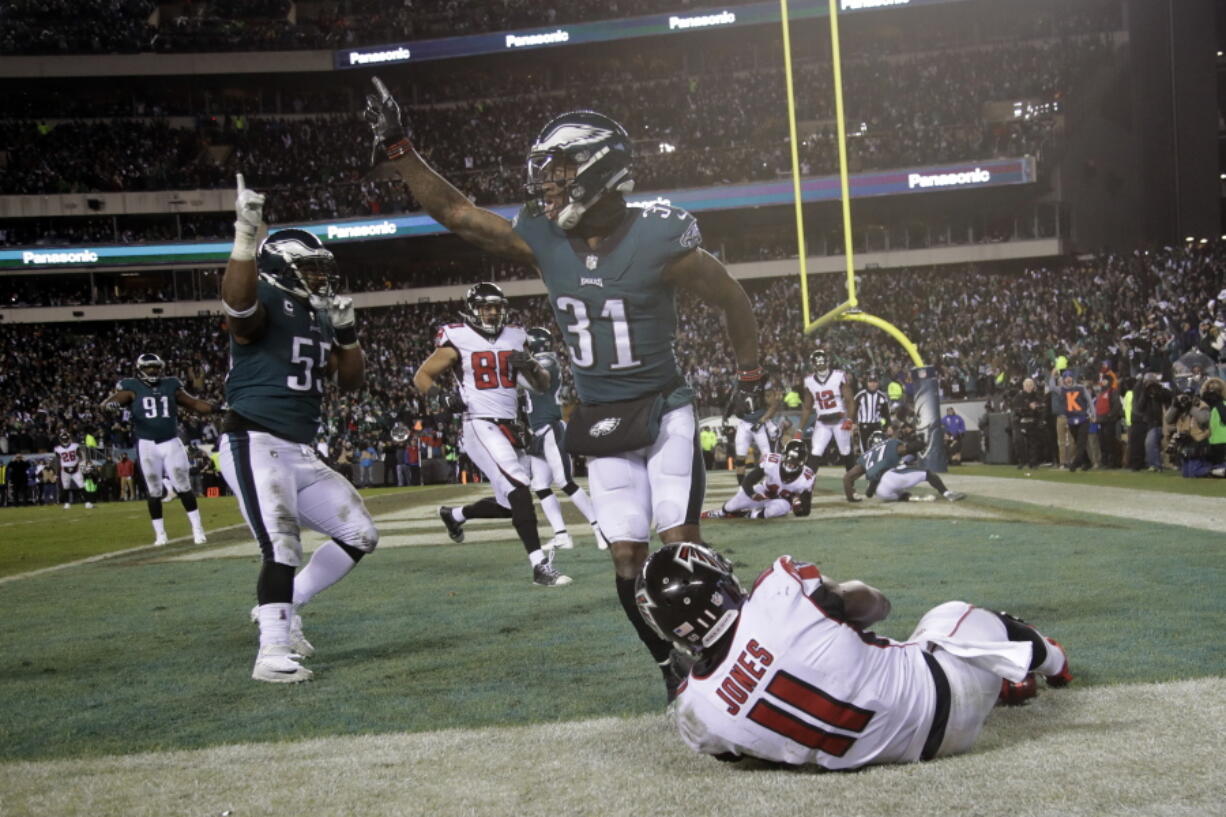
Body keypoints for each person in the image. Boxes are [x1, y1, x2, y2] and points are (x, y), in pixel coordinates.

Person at [366, 81, 761, 701]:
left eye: (562, 167)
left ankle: (734, 659)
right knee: (627, 560)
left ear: (600, 167)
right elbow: (458, 214)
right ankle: (670, 668)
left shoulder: (661, 235)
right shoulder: (545, 237)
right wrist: (398, 147)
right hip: (602, 419)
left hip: (664, 408)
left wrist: (750, 374)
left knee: (681, 549)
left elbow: (731, 296)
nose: (548, 181)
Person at [637, 543, 1072, 769]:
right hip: (945, 691)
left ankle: (1006, 684)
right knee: (955, 615)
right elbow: (875, 605)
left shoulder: (693, 713)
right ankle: (1055, 662)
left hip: (891, 752)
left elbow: (739, 754)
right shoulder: (779, 590)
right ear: (718, 584)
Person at [219, 174, 379, 684]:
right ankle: (271, 653)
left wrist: (348, 333)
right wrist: (246, 239)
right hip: (255, 438)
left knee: (360, 533)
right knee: (282, 543)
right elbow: (240, 313)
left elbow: (351, 383)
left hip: (300, 449)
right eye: (308, 269)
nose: (319, 278)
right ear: (278, 268)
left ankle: (290, 604)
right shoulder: (263, 291)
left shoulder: (319, 314)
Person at [413, 283, 571, 586]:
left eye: (497, 306)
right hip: (478, 423)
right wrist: (441, 398)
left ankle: (455, 515)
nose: (493, 311)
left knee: (512, 502)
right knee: (519, 484)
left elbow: (541, 384)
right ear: (473, 308)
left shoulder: (515, 336)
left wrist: (533, 368)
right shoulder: (457, 336)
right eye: (486, 306)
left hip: (509, 425)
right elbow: (422, 376)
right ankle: (539, 566)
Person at [101, 353, 216, 545]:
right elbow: (106, 404)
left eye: (155, 367)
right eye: (148, 367)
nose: (152, 370)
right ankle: (160, 535)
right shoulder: (131, 386)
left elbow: (194, 403)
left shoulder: (171, 384)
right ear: (140, 369)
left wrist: (217, 408)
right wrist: (109, 407)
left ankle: (198, 530)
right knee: (154, 489)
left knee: (183, 485)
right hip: (146, 444)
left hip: (170, 441)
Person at [520, 325, 608, 551]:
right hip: (537, 433)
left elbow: (536, 378)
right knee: (539, 484)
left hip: (551, 429)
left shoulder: (547, 362)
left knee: (564, 481)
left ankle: (600, 527)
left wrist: (514, 363)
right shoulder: (536, 364)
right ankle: (561, 535)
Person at [701, 439, 814, 520]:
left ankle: (750, 515)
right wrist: (752, 494)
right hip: (763, 492)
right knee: (731, 506)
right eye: (790, 460)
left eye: (796, 461)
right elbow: (748, 480)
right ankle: (720, 512)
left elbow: (805, 510)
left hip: (781, 501)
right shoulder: (772, 462)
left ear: (802, 463)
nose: (792, 464)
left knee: (776, 510)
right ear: (783, 456)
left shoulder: (807, 478)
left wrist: (798, 507)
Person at [843, 434, 965, 503]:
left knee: (896, 493)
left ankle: (907, 497)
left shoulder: (865, 456)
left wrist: (851, 498)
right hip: (890, 476)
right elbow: (907, 449)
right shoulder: (891, 443)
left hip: (880, 492)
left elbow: (847, 478)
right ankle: (947, 493)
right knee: (927, 474)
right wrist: (922, 445)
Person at [797, 349, 856, 471]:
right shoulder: (809, 381)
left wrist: (849, 419)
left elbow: (850, 400)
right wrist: (799, 429)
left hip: (839, 419)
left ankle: (851, 481)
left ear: (827, 361)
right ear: (813, 364)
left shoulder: (838, 376)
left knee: (845, 450)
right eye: (817, 362)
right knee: (816, 450)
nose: (820, 364)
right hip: (822, 421)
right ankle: (807, 484)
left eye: (822, 361)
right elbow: (807, 407)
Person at [724, 380, 778, 481]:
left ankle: (772, 483)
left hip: (760, 423)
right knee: (740, 457)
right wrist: (726, 414)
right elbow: (732, 401)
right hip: (744, 423)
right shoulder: (737, 387)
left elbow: (773, 405)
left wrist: (761, 421)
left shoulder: (762, 386)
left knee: (768, 457)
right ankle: (742, 487)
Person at [53, 430, 94, 509]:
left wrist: (85, 466)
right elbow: (58, 461)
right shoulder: (57, 449)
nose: (65, 441)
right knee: (65, 487)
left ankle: (87, 503)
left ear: (69, 439)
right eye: (63, 439)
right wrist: (56, 473)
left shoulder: (75, 446)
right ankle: (67, 503)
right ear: (60, 440)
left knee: (81, 485)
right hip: (65, 470)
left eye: (66, 439)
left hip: (76, 468)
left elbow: (82, 457)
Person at [1010, 377, 1045, 471]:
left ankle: (1033, 463)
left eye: (1030, 385)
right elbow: (1016, 408)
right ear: (1023, 386)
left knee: (1033, 443)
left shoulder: (1036, 396)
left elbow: (1042, 406)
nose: (1029, 387)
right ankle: (1021, 461)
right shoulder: (1019, 396)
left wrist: (1036, 407)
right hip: (1021, 421)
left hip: (1032, 421)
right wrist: (1028, 407)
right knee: (1019, 442)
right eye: (1027, 385)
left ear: (1033, 386)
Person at [853, 374, 889, 454]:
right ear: (867, 383)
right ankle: (866, 464)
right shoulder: (860, 395)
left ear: (878, 383)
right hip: (864, 424)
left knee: (878, 444)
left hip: (877, 424)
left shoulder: (882, 396)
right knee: (865, 445)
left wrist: (888, 426)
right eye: (870, 382)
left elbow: (886, 413)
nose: (872, 384)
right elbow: (853, 410)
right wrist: (853, 423)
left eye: (874, 382)